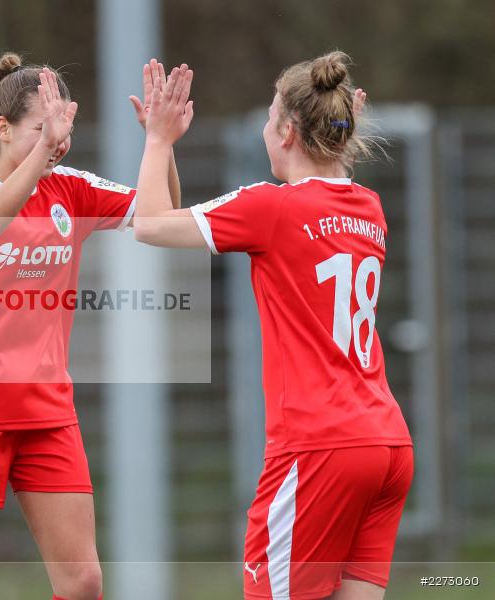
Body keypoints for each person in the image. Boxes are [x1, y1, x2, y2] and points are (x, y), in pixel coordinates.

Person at [133, 54, 413, 599]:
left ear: (287, 131)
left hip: (318, 447)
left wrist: (157, 140)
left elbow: (149, 224)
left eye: (269, 120)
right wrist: (341, 125)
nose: (264, 132)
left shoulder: (271, 208)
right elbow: (331, 178)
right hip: (386, 444)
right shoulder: (369, 209)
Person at [0, 53, 181, 600]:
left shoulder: (70, 187)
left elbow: (162, 216)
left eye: (65, 126)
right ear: (4, 129)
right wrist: (42, 153)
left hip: (46, 413)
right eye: (45, 128)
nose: (60, 140)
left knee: (84, 581)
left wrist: (160, 143)